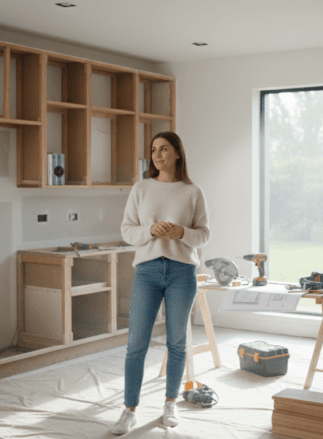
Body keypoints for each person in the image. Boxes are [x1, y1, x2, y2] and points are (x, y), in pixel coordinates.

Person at [111, 131, 210, 435]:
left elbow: (204, 234)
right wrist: (151, 230)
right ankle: (129, 410)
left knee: (176, 342)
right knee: (135, 344)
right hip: (147, 272)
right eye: (154, 150)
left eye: (164, 149)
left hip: (182, 273)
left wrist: (182, 233)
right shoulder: (141, 189)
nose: (157, 154)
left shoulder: (193, 192)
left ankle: (170, 403)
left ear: (178, 153)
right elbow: (128, 230)